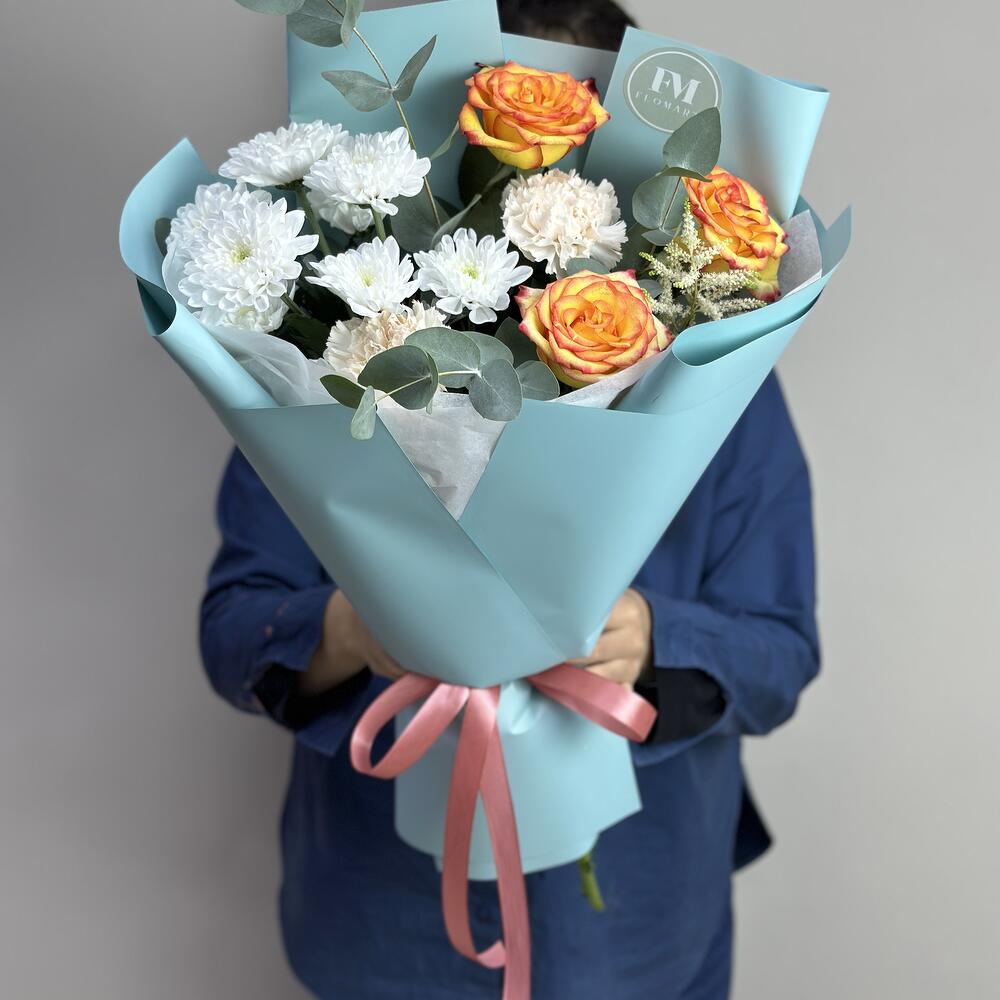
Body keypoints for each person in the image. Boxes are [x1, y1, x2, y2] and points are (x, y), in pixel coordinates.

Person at [200, 4, 820, 998]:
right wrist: (352, 626)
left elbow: (782, 652)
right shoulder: (333, 363)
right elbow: (234, 629)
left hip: (638, 917)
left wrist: (651, 638)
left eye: (582, 133)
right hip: (379, 915)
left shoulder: (723, 385)